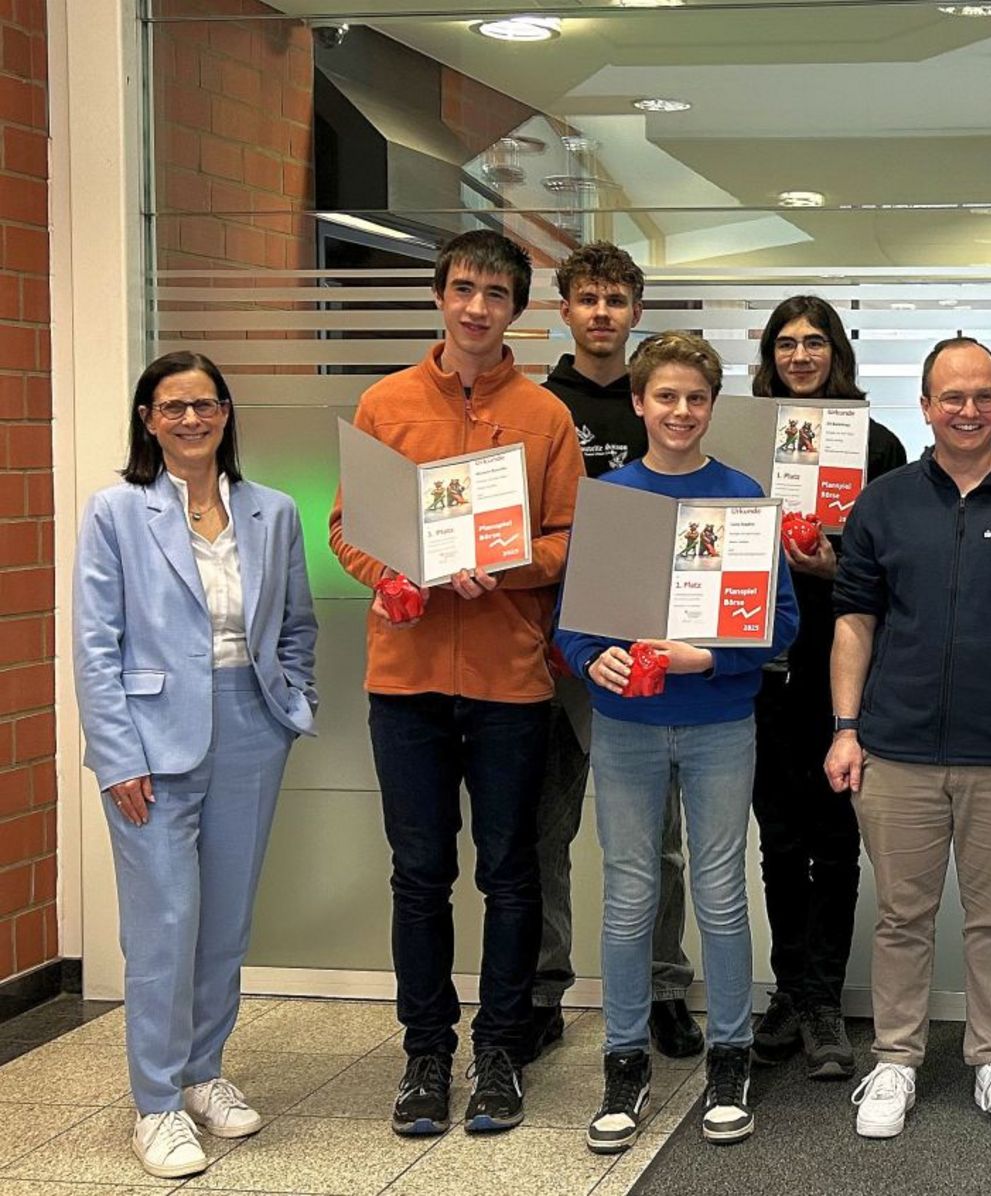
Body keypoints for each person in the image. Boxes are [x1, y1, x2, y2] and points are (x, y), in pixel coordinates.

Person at [328, 229, 584, 1137]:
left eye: (496, 294)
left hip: (511, 680)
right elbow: (346, 526)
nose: (478, 307)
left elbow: (568, 539)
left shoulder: (546, 417)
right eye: (464, 289)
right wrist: (390, 574)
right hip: (406, 680)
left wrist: (506, 567)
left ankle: (501, 1051)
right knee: (419, 875)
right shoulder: (385, 403)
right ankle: (426, 1054)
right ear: (440, 296)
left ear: (517, 309)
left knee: (511, 874)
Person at [827, 336, 991, 1140]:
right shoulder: (883, 503)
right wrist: (845, 729)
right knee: (901, 918)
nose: (970, 410)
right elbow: (854, 624)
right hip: (896, 750)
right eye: (953, 397)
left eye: (984, 396)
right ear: (925, 407)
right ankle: (896, 1060)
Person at [74, 352, 318, 1179]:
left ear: (225, 414)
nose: (190, 419)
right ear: (148, 420)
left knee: (225, 923)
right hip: (150, 738)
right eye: (172, 407)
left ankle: (202, 1073)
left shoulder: (272, 510)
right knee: (164, 925)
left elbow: (297, 624)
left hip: (251, 724)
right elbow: (94, 645)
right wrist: (116, 756)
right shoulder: (116, 511)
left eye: (204, 404)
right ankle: (156, 1104)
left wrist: (292, 705)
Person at [554, 331, 799, 1150]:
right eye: (666, 396)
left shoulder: (740, 496)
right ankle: (624, 1061)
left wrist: (713, 657)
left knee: (721, 892)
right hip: (627, 725)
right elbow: (572, 626)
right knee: (630, 896)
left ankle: (730, 1056)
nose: (681, 411)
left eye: (696, 398)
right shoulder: (610, 498)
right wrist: (594, 659)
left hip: (720, 721)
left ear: (712, 406)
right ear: (638, 402)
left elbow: (781, 622)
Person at [529, 242, 703, 1065]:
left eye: (616, 299)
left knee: (656, 836)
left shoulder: (661, 402)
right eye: (588, 298)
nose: (602, 313)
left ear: (637, 311)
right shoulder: (538, 408)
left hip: (649, 646)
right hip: (555, 645)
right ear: (564, 309)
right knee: (546, 831)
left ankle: (665, 988)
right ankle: (542, 992)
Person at [747, 295, 907, 1079]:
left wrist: (835, 569)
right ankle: (789, 990)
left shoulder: (878, 446)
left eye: (814, 342)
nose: (800, 356)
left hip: (846, 672)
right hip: (762, 670)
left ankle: (823, 1000)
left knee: (836, 840)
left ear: (836, 352)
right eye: (786, 343)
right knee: (779, 841)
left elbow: (903, 570)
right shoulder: (742, 440)